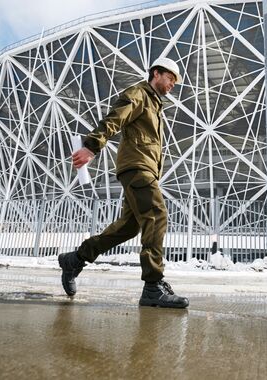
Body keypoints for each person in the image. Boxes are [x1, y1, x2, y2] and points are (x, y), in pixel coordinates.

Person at [58, 57, 189, 309]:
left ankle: (75, 259)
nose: (173, 83)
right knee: (156, 214)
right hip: (137, 167)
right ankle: (153, 286)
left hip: (145, 169)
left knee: (128, 227)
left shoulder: (155, 104)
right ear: (156, 73)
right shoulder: (139, 93)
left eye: (174, 80)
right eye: (170, 77)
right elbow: (115, 118)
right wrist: (92, 146)